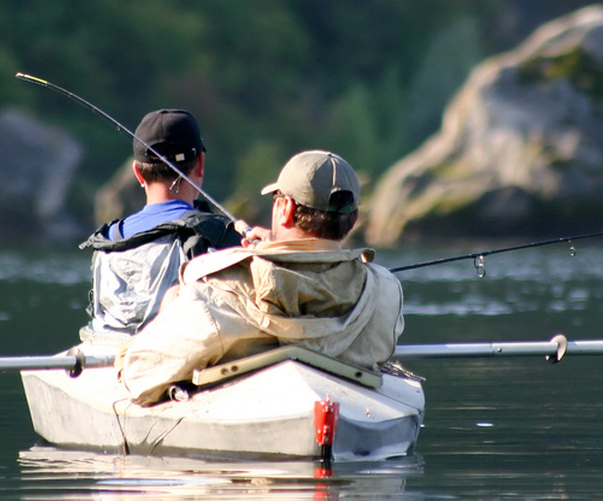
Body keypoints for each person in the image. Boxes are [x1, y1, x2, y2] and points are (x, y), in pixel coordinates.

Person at [117, 149, 404, 405]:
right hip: (345, 410)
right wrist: (276, 249)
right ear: (352, 220)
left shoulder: (215, 290)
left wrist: (169, 305)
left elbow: (140, 375)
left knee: (173, 297)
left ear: (286, 209)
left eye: (277, 198)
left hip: (247, 428)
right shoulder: (385, 290)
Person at [79, 109, 241, 343]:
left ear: (137, 172)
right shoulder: (221, 236)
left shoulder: (108, 240)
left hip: (109, 358)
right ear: (200, 164)